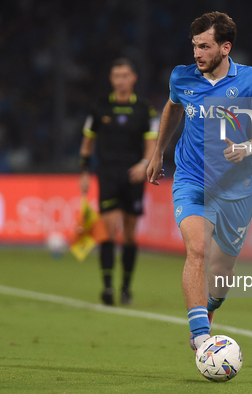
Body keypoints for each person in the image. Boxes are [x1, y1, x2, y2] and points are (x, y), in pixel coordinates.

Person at [147, 12, 252, 350]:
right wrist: (158, 151)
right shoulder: (182, 78)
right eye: (194, 46)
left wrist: (247, 147)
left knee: (219, 278)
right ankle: (201, 336)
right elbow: (173, 107)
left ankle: (210, 308)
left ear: (225, 47)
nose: (197, 53)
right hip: (191, 178)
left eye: (204, 46)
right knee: (198, 250)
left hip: (236, 189)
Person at [79, 58, 158, 306]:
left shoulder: (146, 109)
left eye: (125, 75)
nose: (121, 80)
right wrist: (84, 171)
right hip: (108, 174)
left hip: (134, 175)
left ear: (133, 78)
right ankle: (107, 288)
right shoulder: (99, 107)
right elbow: (88, 142)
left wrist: (144, 164)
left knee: (130, 235)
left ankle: (126, 288)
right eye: (116, 76)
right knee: (108, 230)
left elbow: (151, 144)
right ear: (112, 79)